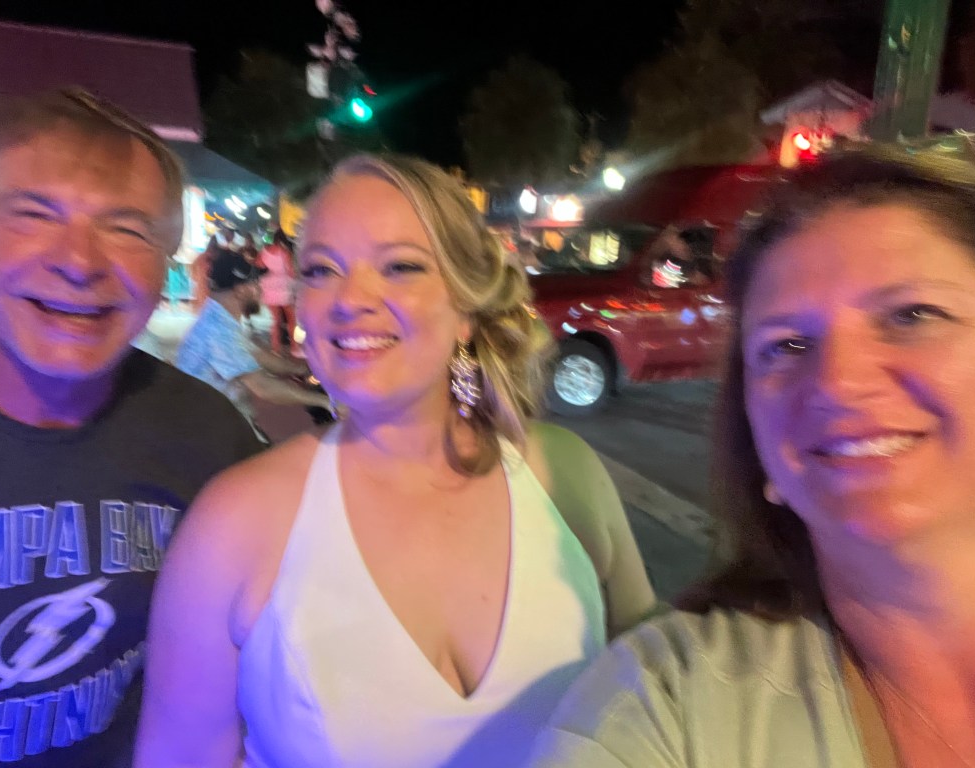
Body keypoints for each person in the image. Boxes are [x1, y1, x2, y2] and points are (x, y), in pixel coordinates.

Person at [134, 154, 656, 768]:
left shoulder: (565, 475)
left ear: (466, 308)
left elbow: (660, 701)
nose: (351, 298)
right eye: (321, 270)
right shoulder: (233, 522)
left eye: (401, 266)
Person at [529, 148, 975, 767]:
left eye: (913, 315)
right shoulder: (668, 705)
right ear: (757, 440)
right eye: (788, 345)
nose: (839, 382)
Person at [0, 88, 263, 767]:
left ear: (168, 266)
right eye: (35, 214)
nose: (80, 262)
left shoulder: (207, 437)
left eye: (127, 229)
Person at [176, 247, 330, 437]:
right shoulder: (217, 332)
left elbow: (260, 357)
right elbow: (263, 387)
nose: (260, 289)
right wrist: (325, 402)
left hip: (221, 420)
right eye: (255, 283)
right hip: (209, 432)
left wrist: (305, 369)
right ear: (241, 290)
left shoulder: (219, 318)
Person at [255, 228, 300, 356]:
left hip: (269, 286)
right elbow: (291, 273)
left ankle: (275, 348)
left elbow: (259, 265)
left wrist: (271, 268)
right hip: (283, 287)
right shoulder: (285, 252)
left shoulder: (264, 250)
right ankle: (294, 348)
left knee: (276, 320)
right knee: (291, 319)